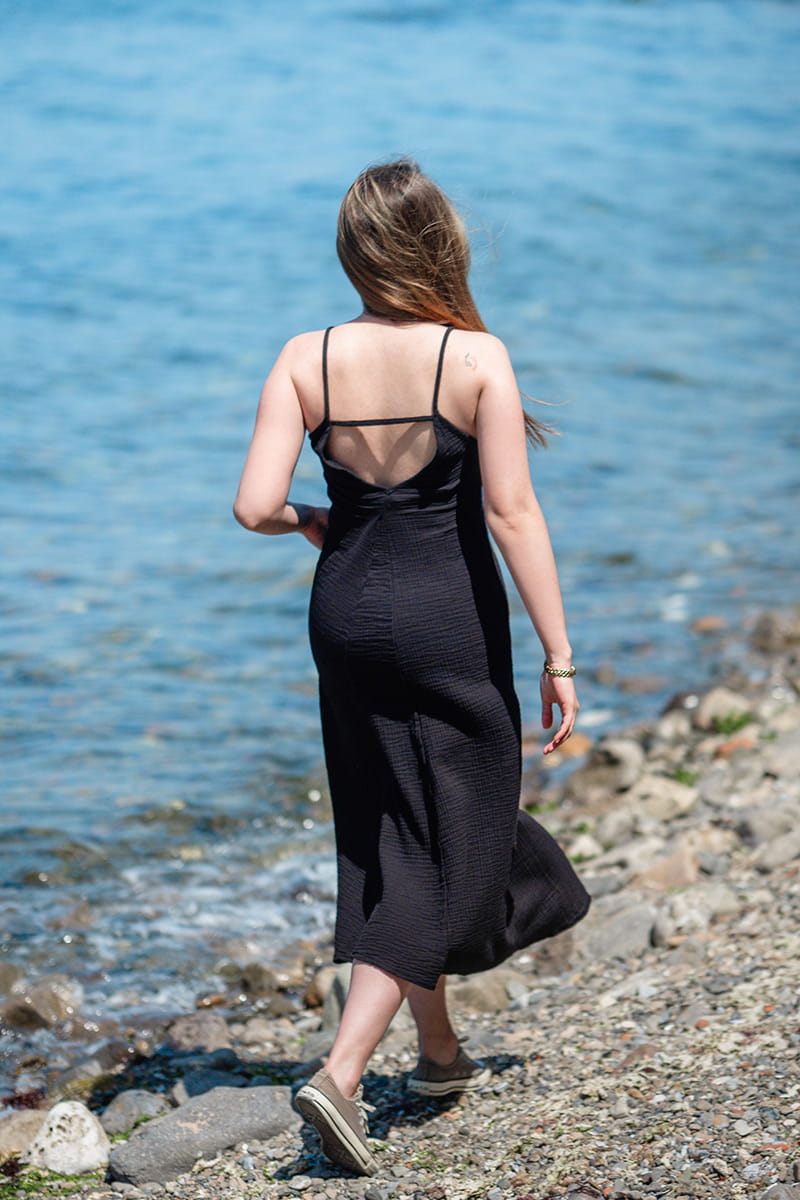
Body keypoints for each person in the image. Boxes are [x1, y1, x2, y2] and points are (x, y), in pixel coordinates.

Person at [233, 159, 590, 1176]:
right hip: (447, 617)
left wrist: (312, 515)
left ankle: (436, 1053)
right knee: (456, 833)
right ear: (441, 247)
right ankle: (343, 1072)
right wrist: (560, 654)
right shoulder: (472, 360)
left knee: (391, 818)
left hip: (344, 608)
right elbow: (510, 513)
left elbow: (253, 505)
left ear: (351, 254)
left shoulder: (304, 357)